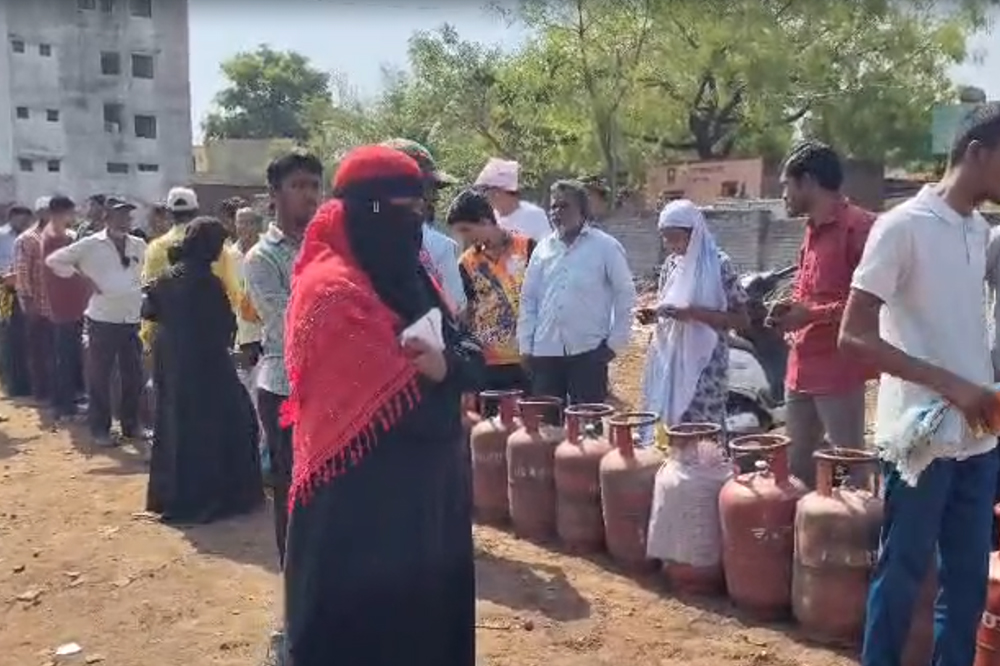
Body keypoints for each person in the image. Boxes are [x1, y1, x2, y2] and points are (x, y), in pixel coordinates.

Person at [281, 144, 484, 666]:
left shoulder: (414, 274)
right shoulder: (330, 292)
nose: (415, 224)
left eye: (420, 211)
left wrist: (445, 369)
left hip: (428, 494)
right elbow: (393, 396)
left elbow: (466, 353)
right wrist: (440, 376)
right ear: (369, 209)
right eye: (405, 211)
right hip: (359, 503)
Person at [840, 101, 1000, 666]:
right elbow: (853, 336)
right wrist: (953, 384)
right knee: (903, 573)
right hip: (918, 443)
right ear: (978, 154)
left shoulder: (981, 232)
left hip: (980, 439)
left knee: (966, 588)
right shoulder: (902, 226)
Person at [142, 217, 263, 524]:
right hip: (205, 363)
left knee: (175, 425)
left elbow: (149, 312)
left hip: (171, 360)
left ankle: (173, 496)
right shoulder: (207, 283)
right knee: (232, 421)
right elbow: (226, 327)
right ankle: (215, 498)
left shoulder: (167, 277)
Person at [773, 141, 876, 487]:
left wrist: (812, 315)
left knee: (852, 464)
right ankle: (804, 539)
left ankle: (861, 538)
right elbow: (809, 293)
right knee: (797, 469)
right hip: (800, 367)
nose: (784, 195)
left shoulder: (860, 228)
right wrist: (788, 309)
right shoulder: (810, 230)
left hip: (838, 369)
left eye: (786, 185)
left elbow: (875, 301)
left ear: (808, 182)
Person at [244, 152, 322, 569]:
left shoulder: (332, 246)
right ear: (275, 194)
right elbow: (288, 321)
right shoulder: (262, 257)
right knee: (294, 492)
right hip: (287, 390)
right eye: (298, 186)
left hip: (332, 389)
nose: (309, 195)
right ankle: (296, 592)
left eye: (314, 185)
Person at [518, 179, 636, 404]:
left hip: (589, 352)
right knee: (546, 428)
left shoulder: (605, 247)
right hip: (545, 352)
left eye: (564, 206)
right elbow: (529, 300)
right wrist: (525, 345)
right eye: (553, 206)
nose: (556, 212)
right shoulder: (542, 249)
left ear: (582, 210)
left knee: (587, 428)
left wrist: (614, 344)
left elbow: (625, 295)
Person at [638, 199, 749, 428]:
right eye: (665, 238)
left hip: (706, 367)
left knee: (704, 434)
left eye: (676, 237)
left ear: (695, 233)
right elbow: (667, 307)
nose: (670, 245)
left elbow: (741, 319)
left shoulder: (718, 264)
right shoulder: (671, 265)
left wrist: (694, 314)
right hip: (672, 361)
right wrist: (655, 314)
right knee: (671, 429)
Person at [46, 197, 146, 446]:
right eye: (120, 215)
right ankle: (100, 429)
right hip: (102, 319)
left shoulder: (139, 244)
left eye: (128, 216)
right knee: (99, 377)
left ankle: (131, 426)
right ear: (107, 218)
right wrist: (83, 279)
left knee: (133, 376)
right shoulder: (90, 244)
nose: (125, 220)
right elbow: (54, 261)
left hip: (131, 318)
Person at [447, 188, 535, 392]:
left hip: (528, 357)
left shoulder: (528, 248)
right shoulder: (466, 264)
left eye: (466, 230)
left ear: (486, 220)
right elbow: (464, 313)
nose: (464, 238)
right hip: (487, 363)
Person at [141, 186, 240, 352]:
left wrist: (147, 338)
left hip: (169, 340)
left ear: (169, 213)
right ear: (196, 211)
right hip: (209, 338)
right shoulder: (216, 245)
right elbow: (233, 294)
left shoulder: (155, 248)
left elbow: (149, 298)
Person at [381, 138, 467, 313]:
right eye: (428, 187)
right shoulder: (441, 248)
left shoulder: (348, 243)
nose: (436, 197)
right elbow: (457, 312)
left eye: (435, 188)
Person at [41, 196, 90, 421]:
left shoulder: (62, 235)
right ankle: (64, 406)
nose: (73, 217)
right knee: (65, 356)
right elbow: (66, 270)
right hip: (64, 305)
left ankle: (66, 402)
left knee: (67, 355)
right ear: (59, 213)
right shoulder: (53, 238)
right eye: (70, 213)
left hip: (71, 304)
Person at [14, 197, 54, 402]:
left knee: (58, 352)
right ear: (39, 213)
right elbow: (22, 274)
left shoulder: (65, 237)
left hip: (61, 307)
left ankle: (59, 393)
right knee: (38, 351)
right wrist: (28, 303)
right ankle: (41, 393)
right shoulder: (27, 239)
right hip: (37, 305)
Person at [474, 157, 553, 242]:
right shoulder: (486, 218)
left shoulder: (535, 215)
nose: (482, 195)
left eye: (484, 190)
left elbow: (547, 250)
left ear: (498, 191)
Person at [0, 205, 34, 397]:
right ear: (11, 217)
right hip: (5, 292)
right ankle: (11, 384)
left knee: (24, 340)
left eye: (26, 220)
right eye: (20, 219)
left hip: (26, 292)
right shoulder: (1, 236)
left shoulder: (30, 239)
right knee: (8, 338)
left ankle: (25, 384)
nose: (23, 223)